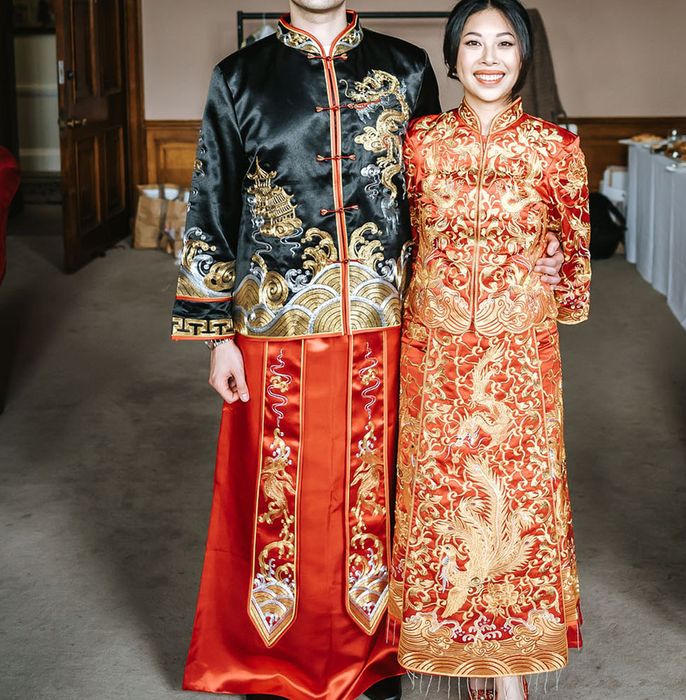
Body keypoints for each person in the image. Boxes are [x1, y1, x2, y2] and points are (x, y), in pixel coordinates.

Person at [171, 1, 565, 698]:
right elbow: (213, 199)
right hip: (275, 330)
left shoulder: (405, 68)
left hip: (391, 328)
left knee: (384, 497)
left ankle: (386, 654)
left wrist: (535, 249)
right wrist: (214, 332)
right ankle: (272, 659)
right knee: (280, 503)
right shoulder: (239, 77)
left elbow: (441, 187)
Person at [389, 1, 591, 699]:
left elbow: (577, 259)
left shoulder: (554, 147)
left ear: (523, 56)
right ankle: (447, 654)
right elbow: (395, 237)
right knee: (442, 497)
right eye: (472, 42)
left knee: (516, 501)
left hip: (517, 355)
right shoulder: (419, 142)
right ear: (451, 56)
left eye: (505, 43)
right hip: (435, 349)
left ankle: (509, 675)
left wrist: (557, 260)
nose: (488, 57)